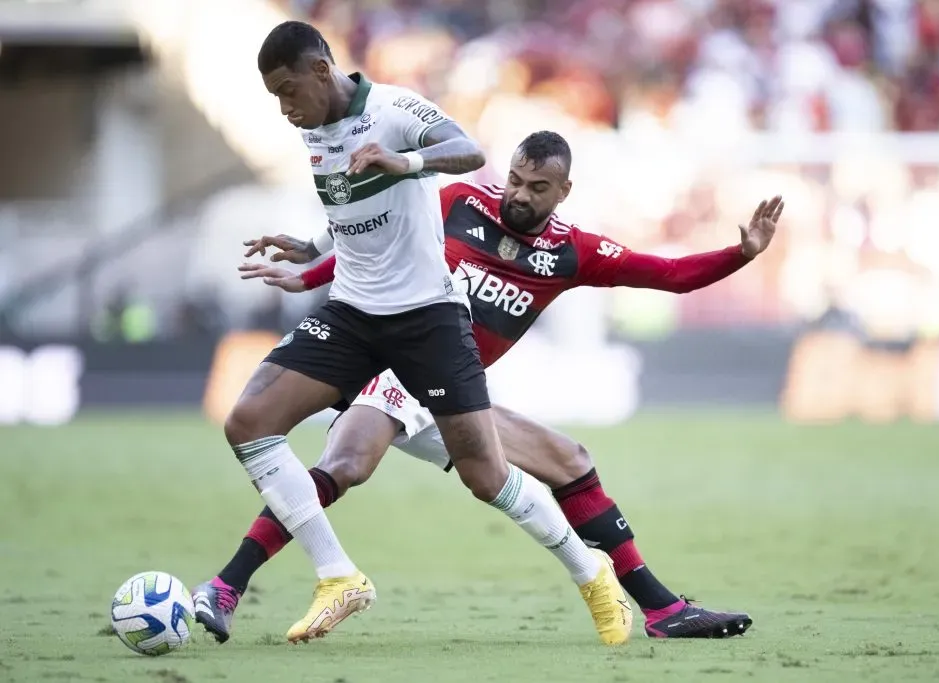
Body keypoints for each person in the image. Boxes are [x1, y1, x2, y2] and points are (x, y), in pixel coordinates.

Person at [195, 130, 783, 641]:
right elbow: (372, 251)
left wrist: (740, 253)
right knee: (346, 463)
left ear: (564, 192)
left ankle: (660, 608)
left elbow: (671, 276)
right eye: (516, 180)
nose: (521, 195)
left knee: (572, 462)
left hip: (457, 397)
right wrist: (308, 274)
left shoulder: (572, 253)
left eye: (537, 188)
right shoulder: (456, 202)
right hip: (397, 366)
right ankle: (228, 584)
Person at [220, 22, 633, 645]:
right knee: (249, 422)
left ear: (322, 71)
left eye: (287, 90)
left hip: (427, 320)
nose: (284, 108)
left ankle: (591, 570)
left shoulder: (392, 108)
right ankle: (338, 576)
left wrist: (406, 159)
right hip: (353, 314)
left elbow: (467, 150)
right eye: (274, 97)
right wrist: (309, 249)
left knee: (484, 474)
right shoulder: (316, 132)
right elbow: (353, 214)